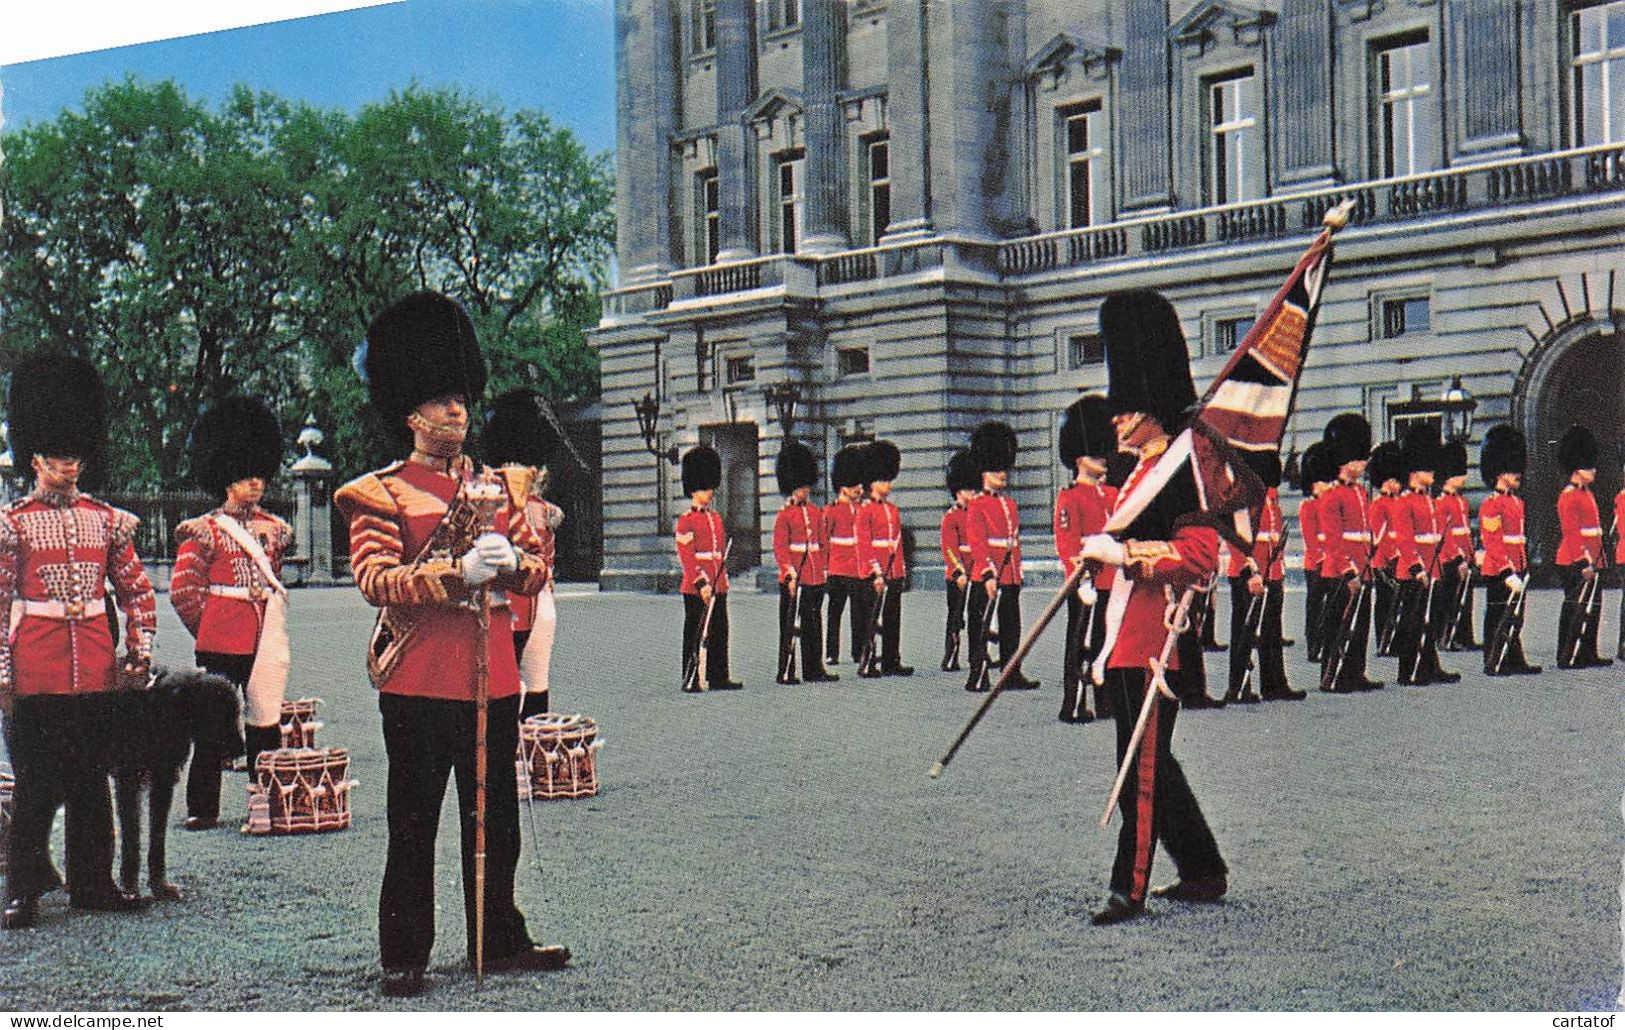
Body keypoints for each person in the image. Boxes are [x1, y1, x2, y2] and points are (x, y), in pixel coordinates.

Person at [333, 291, 570, 997]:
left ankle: (496, 936)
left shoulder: (500, 488)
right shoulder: (380, 494)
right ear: (409, 413)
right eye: (439, 402)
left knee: (495, 821)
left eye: (461, 399)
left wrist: (511, 566)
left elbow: (536, 570)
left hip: (492, 675)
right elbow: (377, 580)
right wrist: (455, 573)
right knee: (413, 824)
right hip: (419, 679)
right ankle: (404, 951)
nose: (456, 413)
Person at [1077, 290, 1226, 926]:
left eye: (1126, 409)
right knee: (1154, 762)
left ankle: (1129, 886)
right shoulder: (1140, 473)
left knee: (1137, 768)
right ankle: (1202, 869)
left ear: (1151, 412)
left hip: (1155, 642)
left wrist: (1124, 554)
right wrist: (1102, 561)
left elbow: (1200, 558)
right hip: (1124, 636)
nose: (1115, 421)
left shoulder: (1181, 471)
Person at [3, 354, 157, 929]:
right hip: (36, 668)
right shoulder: (13, 524)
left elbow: (138, 591)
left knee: (92, 783)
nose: (68, 466)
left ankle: (94, 882)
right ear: (35, 457)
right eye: (57, 456)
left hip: (94, 667)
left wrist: (138, 649)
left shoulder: (107, 521)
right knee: (37, 787)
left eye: (74, 455)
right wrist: (1, 669)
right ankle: (22, 890)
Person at [170, 397, 293, 830]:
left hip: (263, 636)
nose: (255, 483)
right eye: (246, 476)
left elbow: (271, 582)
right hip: (222, 638)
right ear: (227, 480)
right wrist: (209, 630)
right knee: (213, 722)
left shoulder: (275, 530)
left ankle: (267, 802)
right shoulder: (204, 530)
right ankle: (203, 807)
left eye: (259, 475)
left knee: (265, 719)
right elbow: (184, 591)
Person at [482, 388, 567, 718]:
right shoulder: (500, 502)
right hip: (519, 603)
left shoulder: (535, 507)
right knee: (520, 688)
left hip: (533, 602)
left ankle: (532, 759)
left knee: (531, 687)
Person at [1054, 395, 1118, 723]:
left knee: (1106, 642)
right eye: (1097, 453)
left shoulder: (1110, 494)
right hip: (1086, 581)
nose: (1104, 459)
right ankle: (1074, 702)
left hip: (1111, 578)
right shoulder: (1070, 497)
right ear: (1080, 459)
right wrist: (1077, 579)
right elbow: (1067, 543)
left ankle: (1105, 700)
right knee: (1078, 644)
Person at [963, 422, 1038, 692]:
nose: (1003, 474)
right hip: (988, 575)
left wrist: (1017, 573)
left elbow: (1013, 543)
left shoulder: (1009, 504)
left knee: (1011, 627)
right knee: (981, 629)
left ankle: (1011, 671)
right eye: (997, 469)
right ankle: (977, 672)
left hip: (1010, 574)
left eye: (1004, 468)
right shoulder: (977, 505)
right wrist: (987, 573)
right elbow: (978, 543)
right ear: (984, 471)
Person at [1224, 451, 1303, 703]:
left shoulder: (1270, 497)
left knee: (1271, 631)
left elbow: (1273, 535)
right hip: (1250, 573)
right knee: (1244, 632)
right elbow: (1235, 539)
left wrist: (1276, 569)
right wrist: (1250, 571)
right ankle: (1238, 687)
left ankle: (1274, 683)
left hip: (1271, 570)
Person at [1317, 413, 1383, 693]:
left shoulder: (1359, 493)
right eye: (1358, 458)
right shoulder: (1332, 497)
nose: (1363, 463)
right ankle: (1333, 675)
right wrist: (1348, 571)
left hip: (1362, 565)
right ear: (1344, 461)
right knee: (1339, 625)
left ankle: (1355, 672)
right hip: (1341, 571)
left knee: (1360, 624)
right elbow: (1334, 540)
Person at [1391, 429, 1459, 686]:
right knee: (1413, 622)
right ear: (1413, 471)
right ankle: (1408, 670)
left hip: (1433, 567)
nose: (1432, 472)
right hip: (1415, 570)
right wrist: (1417, 567)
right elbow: (1405, 540)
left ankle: (1430, 666)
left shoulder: (1428, 501)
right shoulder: (1404, 502)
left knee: (1431, 619)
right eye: (1426, 468)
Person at [674, 445, 742, 691]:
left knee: (720, 630)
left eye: (711, 487)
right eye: (705, 488)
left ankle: (718, 675)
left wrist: (721, 579)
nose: (710, 492)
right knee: (695, 631)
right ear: (693, 489)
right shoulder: (686, 521)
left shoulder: (715, 519)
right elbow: (688, 558)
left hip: (718, 582)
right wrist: (701, 583)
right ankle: (691, 675)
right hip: (697, 586)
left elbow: (718, 552)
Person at [1477, 425, 1540, 676]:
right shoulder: (1491, 505)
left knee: (1516, 614)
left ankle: (1514, 658)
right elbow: (1493, 542)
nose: (1517, 474)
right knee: (1497, 615)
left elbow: (1518, 538)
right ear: (1498, 472)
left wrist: (1524, 566)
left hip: (1518, 565)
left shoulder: (1517, 502)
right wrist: (1506, 572)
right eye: (1512, 470)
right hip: (1499, 569)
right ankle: (1493, 660)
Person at [771, 439, 835, 684]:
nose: (805, 490)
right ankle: (786, 669)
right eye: (800, 486)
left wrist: (825, 570)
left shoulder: (816, 512)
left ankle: (813, 668)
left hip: (814, 576)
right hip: (794, 576)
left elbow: (823, 543)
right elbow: (780, 548)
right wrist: (788, 572)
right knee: (790, 627)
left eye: (806, 486)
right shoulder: (784, 515)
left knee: (813, 625)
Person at [1553, 425, 1610, 669]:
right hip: (1574, 561)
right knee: (1576, 607)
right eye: (1589, 466)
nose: (1594, 470)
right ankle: (1567, 654)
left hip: (1593, 558)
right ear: (1577, 469)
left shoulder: (1587, 493)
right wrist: (1583, 562)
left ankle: (1588, 651)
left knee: (1592, 607)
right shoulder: (1569, 496)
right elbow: (1572, 533)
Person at [857, 440, 911, 677]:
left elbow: (896, 542)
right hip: (875, 571)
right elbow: (864, 545)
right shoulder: (864, 510)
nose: (888, 485)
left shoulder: (892, 510)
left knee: (892, 618)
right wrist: (875, 572)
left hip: (893, 570)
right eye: (883, 480)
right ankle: (869, 660)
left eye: (889, 480)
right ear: (872, 483)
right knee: (871, 619)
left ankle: (891, 659)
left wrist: (900, 569)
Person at [823, 445, 870, 669]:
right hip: (836, 568)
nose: (860, 489)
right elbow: (824, 540)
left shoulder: (863, 509)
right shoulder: (831, 511)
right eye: (855, 485)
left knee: (858, 613)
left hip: (858, 568)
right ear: (843, 487)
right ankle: (831, 652)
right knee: (834, 613)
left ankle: (858, 651)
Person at [1432, 441, 1479, 652]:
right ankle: (1447, 637)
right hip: (1450, 559)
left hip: (1464, 557)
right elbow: (1446, 536)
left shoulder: (1461, 502)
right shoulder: (1441, 503)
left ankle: (1464, 636)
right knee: (1449, 600)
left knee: (1465, 599)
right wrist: (1458, 559)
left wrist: (1470, 555)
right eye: (1460, 473)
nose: (1464, 477)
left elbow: (1465, 532)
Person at [939, 449, 978, 672]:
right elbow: (950, 549)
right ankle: (951, 655)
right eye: (966, 489)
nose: (970, 493)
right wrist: (958, 571)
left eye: (972, 488)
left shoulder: (977, 514)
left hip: (977, 571)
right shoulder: (951, 517)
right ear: (957, 491)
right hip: (959, 575)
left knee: (976, 616)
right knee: (955, 618)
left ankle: (977, 653)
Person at [1366, 442, 1404, 657]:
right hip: (1384, 560)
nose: (1398, 485)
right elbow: (1379, 536)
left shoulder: (1398, 503)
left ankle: (1395, 640)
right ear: (1385, 482)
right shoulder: (1378, 505)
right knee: (1385, 602)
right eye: (1394, 480)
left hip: (1399, 558)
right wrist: (1393, 555)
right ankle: (1384, 641)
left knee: (1396, 603)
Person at [1298, 442, 1331, 662]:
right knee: (1315, 606)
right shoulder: (1307, 506)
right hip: (1315, 563)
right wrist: (1321, 557)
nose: (1327, 485)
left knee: (1329, 606)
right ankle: (1313, 645)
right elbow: (1311, 538)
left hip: (1332, 561)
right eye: (1323, 482)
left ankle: (1327, 643)